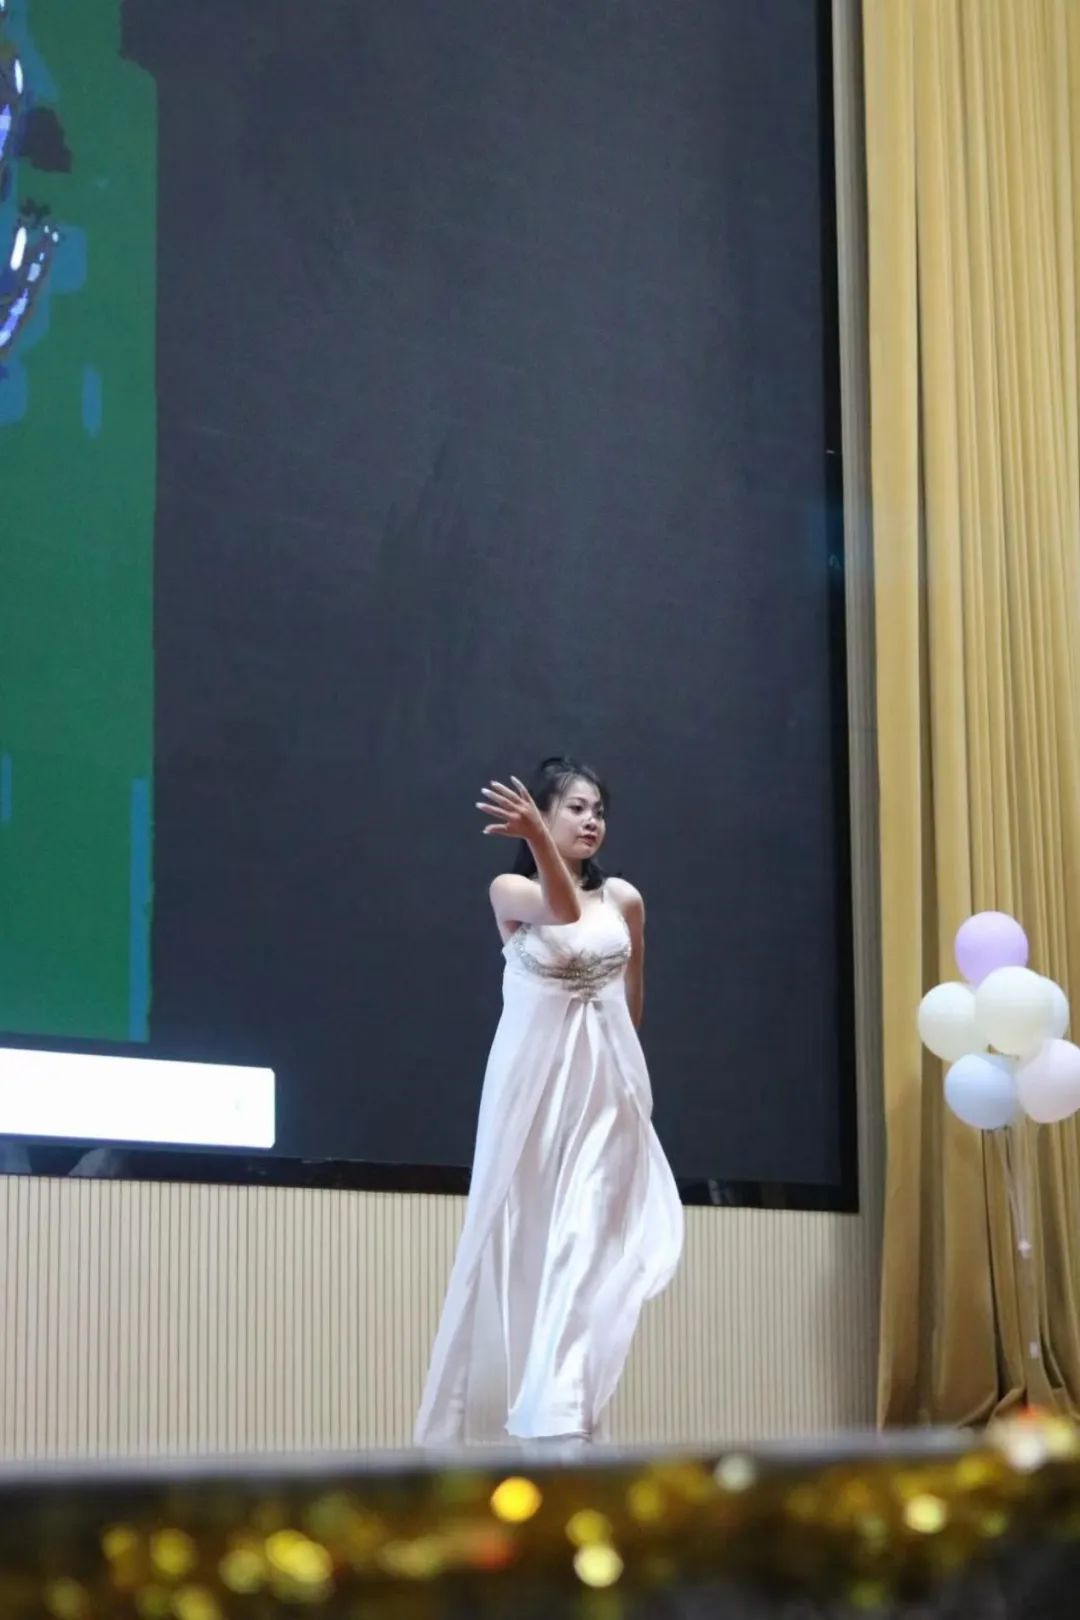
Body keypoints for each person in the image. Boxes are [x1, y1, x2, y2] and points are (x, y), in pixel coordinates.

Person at [415, 757, 683, 1449]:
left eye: (599, 810)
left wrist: (626, 1080)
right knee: (526, 1244)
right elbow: (561, 910)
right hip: (531, 1092)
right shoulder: (511, 890)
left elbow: (631, 997)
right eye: (576, 808)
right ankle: (528, 1419)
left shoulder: (623, 898)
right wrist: (537, 839)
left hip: (605, 1093)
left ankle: (562, 1418)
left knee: (586, 1244)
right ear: (540, 814)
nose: (592, 821)